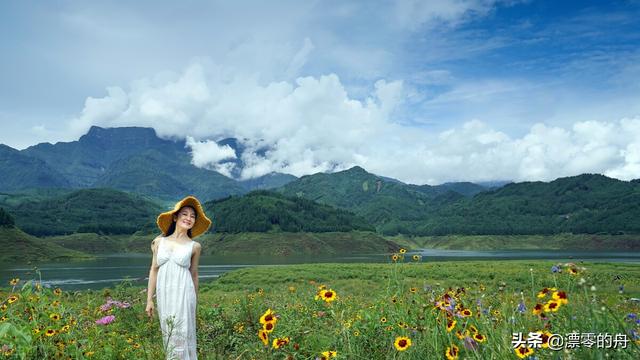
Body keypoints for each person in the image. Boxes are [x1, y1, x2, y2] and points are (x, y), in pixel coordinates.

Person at [146, 195, 212, 360]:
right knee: (169, 334)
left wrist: (194, 301)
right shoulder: (159, 242)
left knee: (182, 334)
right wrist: (149, 299)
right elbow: (153, 270)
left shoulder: (194, 246)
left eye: (192, 216)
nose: (189, 218)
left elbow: (194, 275)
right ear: (175, 217)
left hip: (184, 295)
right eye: (185, 214)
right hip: (165, 295)